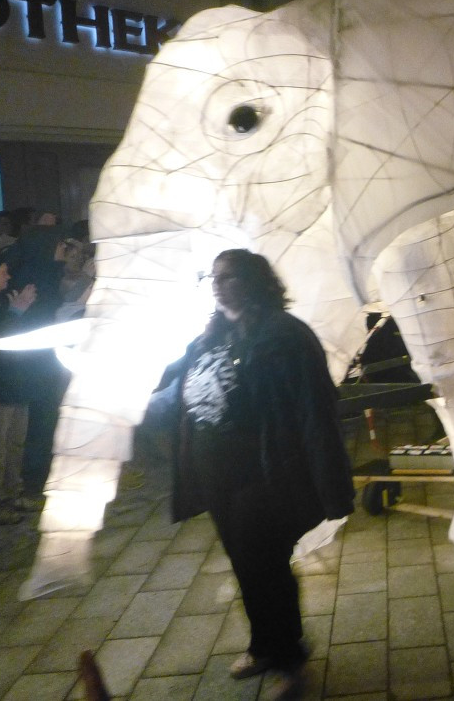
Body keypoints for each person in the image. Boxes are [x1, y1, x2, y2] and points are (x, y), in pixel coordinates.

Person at [147, 249, 354, 698]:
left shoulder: (285, 335)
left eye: (229, 277)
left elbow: (314, 411)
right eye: (213, 277)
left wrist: (331, 484)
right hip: (217, 475)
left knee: (267, 566)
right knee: (245, 564)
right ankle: (265, 645)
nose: (218, 284)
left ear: (256, 281)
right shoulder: (210, 335)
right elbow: (175, 389)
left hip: (263, 474)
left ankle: (289, 658)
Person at [0, 256, 38, 524]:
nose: (7, 277)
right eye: (2, 271)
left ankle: (13, 493)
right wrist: (16, 311)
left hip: (16, 383)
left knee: (15, 443)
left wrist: (16, 309)